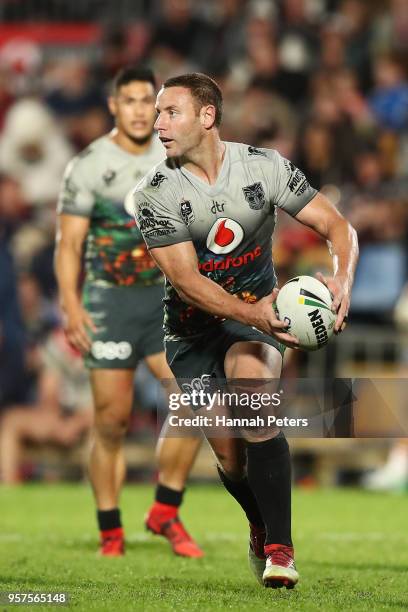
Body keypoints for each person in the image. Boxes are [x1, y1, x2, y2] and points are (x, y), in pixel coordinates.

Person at [130, 72, 358, 588]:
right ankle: (259, 525)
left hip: (255, 323)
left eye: (171, 112)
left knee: (255, 399)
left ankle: (281, 550)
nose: (158, 123)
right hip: (191, 334)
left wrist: (342, 279)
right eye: (158, 113)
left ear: (206, 116)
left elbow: (338, 226)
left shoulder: (263, 166)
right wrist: (255, 312)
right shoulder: (154, 194)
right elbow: (187, 282)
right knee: (231, 458)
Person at [55, 67, 203, 558]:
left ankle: (165, 509)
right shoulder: (90, 165)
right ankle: (110, 532)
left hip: (166, 303)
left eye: (150, 101)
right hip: (111, 305)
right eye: (132, 100)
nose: (142, 110)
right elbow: (69, 244)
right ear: (113, 106)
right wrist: (72, 304)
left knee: (194, 403)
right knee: (111, 423)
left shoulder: (177, 159)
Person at [0, 328, 92, 483]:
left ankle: (94, 489)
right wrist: (58, 426)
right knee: (11, 420)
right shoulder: (55, 344)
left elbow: (105, 402)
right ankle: (10, 489)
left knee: (103, 423)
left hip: (90, 419)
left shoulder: (105, 344)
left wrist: (77, 423)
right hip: (60, 417)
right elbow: (49, 395)